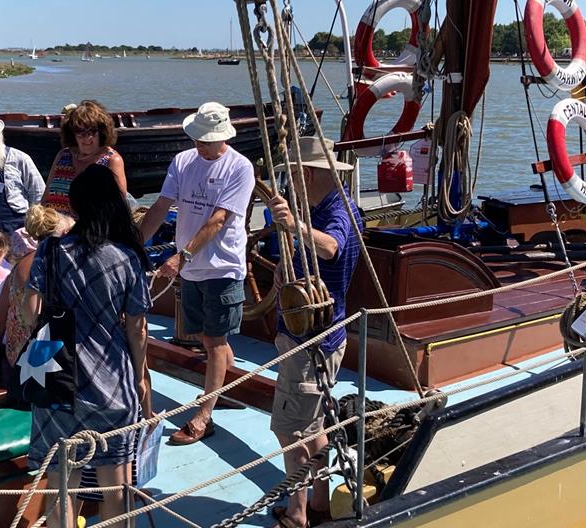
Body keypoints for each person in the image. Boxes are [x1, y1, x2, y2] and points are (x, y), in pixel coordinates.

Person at [23, 165, 152, 527]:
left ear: (75, 206)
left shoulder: (50, 251)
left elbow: (30, 313)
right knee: (117, 486)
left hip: (57, 382)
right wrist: (141, 377)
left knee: (62, 485)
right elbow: (137, 329)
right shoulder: (127, 258)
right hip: (112, 384)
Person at [138, 101, 255, 445]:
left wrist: (181, 257)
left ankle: (204, 415)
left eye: (206, 140)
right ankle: (227, 391)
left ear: (223, 138)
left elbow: (219, 220)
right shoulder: (183, 161)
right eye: (197, 139)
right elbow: (161, 206)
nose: (199, 145)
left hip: (223, 266)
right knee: (206, 338)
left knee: (216, 342)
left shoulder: (240, 168)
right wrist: (135, 244)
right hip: (192, 270)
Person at [266, 137, 361, 528]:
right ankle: (319, 502)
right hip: (325, 337)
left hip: (310, 342)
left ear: (304, 174)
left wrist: (294, 225)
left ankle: (297, 513)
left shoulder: (335, 214)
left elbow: (331, 248)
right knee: (315, 427)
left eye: (292, 176)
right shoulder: (342, 207)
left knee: (290, 431)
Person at [0, 204, 70, 402]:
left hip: (18, 362)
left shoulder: (19, 267)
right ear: (65, 233)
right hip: (57, 368)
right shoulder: (70, 266)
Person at [42, 100, 127, 216]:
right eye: (80, 132)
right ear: (72, 133)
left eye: (92, 131)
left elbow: (118, 204)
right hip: (54, 228)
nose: (87, 138)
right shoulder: (63, 155)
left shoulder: (111, 160)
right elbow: (45, 198)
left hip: (91, 231)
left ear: (101, 131)